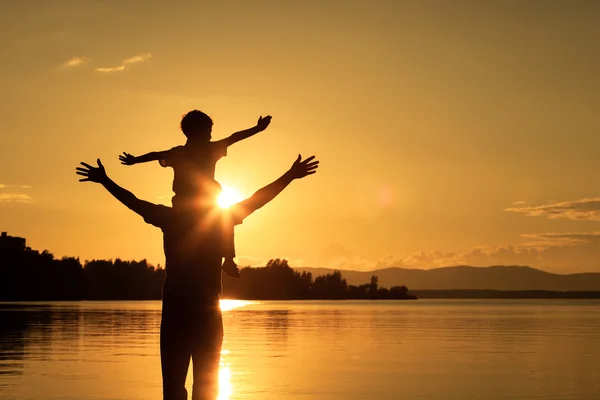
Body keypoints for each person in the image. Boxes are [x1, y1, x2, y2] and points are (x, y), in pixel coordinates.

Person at [76, 154, 319, 400]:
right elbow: (257, 200)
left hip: (178, 309)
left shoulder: (170, 218)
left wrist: (105, 180)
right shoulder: (220, 219)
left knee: (174, 386)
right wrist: (289, 175)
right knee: (205, 386)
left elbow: (132, 201)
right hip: (206, 310)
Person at [118, 110, 272, 278]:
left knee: (225, 216)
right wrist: (135, 160)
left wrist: (256, 129)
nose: (210, 135)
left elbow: (234, 138)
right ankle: (227, 260)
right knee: (225, 217)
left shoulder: (185, 152)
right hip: (187, 205)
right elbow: (157, 155)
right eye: (208, 131)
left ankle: (228, 260)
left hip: (203, 203)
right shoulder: (193, 151)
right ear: (196, 131)